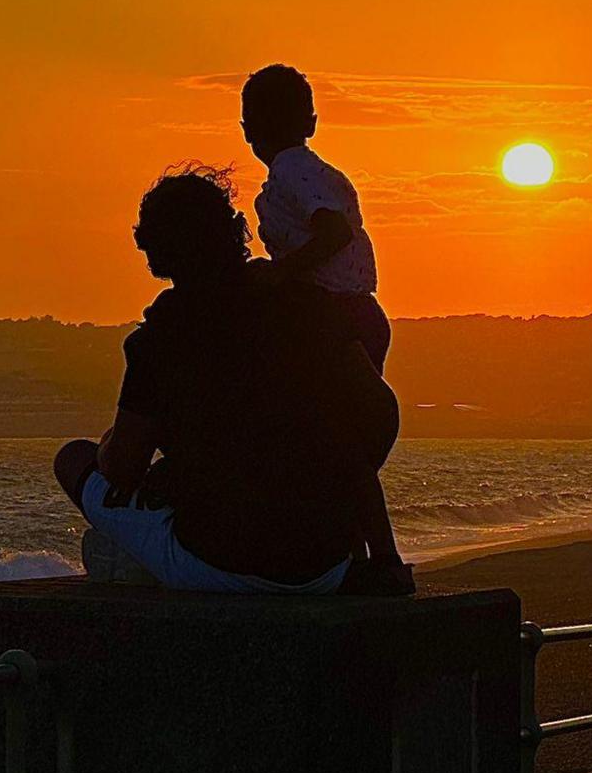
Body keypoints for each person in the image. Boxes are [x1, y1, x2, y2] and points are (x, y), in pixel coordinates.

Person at [52, 165, 409, 594]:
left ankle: (132, 566)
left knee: (73, 459)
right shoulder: (310, 308)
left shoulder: (160, 337)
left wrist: (123, 446)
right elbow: (378, 413)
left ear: (155, 253)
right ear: (232, 232)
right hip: (323, 566)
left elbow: (122, 468)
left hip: (216, 564)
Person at [238, 63, 402, 569]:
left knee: (339, 443)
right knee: (338, 440)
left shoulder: (292, 172)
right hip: (354, 314)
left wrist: (279, 273)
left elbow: (333, 234)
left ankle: (380, 560)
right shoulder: (307, 173)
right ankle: (356, 557)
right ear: (311, 122)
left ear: (248, 131)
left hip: (339, 319)